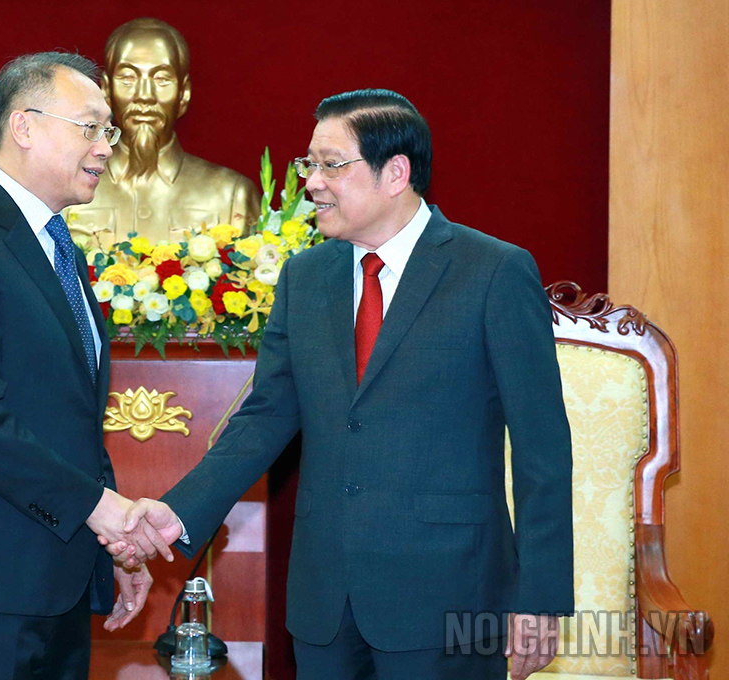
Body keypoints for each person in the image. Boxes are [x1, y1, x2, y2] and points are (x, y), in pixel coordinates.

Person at [112, 89, 574, 680]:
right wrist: (178, 513)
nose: (312, 184)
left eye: (331, 165)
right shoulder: (305, 277)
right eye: (309, 165)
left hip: (448, 593)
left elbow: (542, 447)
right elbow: (264, 418)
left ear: (396, 173)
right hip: (324, 597)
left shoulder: (492, 271)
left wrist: (539, 597)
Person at [0, 52, 173, 680]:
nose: (107, 147)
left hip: (59, 572)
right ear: (24, 126)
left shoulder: (59, 247)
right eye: (91, 127)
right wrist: (101, 509)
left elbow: (72, 419)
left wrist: (113, 551)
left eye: (109, 130)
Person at [65, 17, 260, 246]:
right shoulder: (68, 190)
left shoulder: (231, 195)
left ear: (183, 94)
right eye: (128, 78)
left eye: (162, 79)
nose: (144, 96)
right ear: (106, 90)